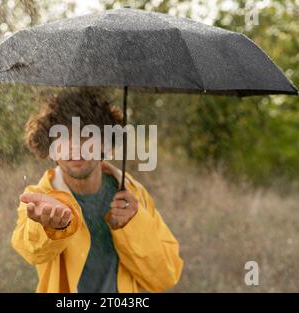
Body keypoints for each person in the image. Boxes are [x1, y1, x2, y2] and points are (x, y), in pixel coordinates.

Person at [11, 88, 183, 292]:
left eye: (87, 136)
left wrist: (134, 224)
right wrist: (49, 228)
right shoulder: (41, 197)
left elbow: (165, 277)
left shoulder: (133, 194)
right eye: (63, 137)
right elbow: (31, 252)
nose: (75, 147)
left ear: (104, 142)